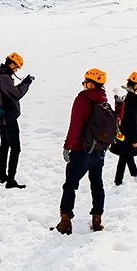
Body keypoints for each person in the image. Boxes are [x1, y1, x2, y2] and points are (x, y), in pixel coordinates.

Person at [55, 68, 115, 234]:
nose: (84, 85)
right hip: (99, 152)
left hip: (81, 151)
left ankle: (65, 222)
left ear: (90, 83)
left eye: (85, 82)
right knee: (97, 185)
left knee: (70, 186)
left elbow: (75, 125)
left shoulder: (82, 99)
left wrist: (68, 146)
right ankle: (97, 221)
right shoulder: (104, 101)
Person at [0, 52, 34, 189]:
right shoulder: (4, 78)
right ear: (12, 64)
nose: (16, 70)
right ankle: (11, 180)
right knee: (15, 148)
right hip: (8, 118)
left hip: (2, 118)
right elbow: (17, 94)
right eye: (16, 67)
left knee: (4, 145)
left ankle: (3, 175)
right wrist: (26, 83)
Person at [112, 72, 137, 185]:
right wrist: (135, 139)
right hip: (129, 133)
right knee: (124, 156)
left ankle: (134, 173)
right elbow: (133, 120)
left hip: (121, 131)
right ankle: (118, 181)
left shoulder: (122, 96)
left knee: (127, 153)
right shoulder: (132, 99)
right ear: (136, 85)